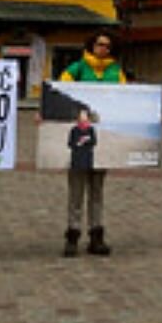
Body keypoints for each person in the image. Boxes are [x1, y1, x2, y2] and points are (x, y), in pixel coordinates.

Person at [56, 31, 125, 257]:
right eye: (99, 44)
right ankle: (72, 235)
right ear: (91, 45)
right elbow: (60, 93)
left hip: (103, 136)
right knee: (76, 191)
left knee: (97, 191)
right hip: (80, 135)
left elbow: (125, 97)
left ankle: (97, 235)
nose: (103, 48)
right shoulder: (76, 69)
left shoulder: (117, 72)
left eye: (107, 45)